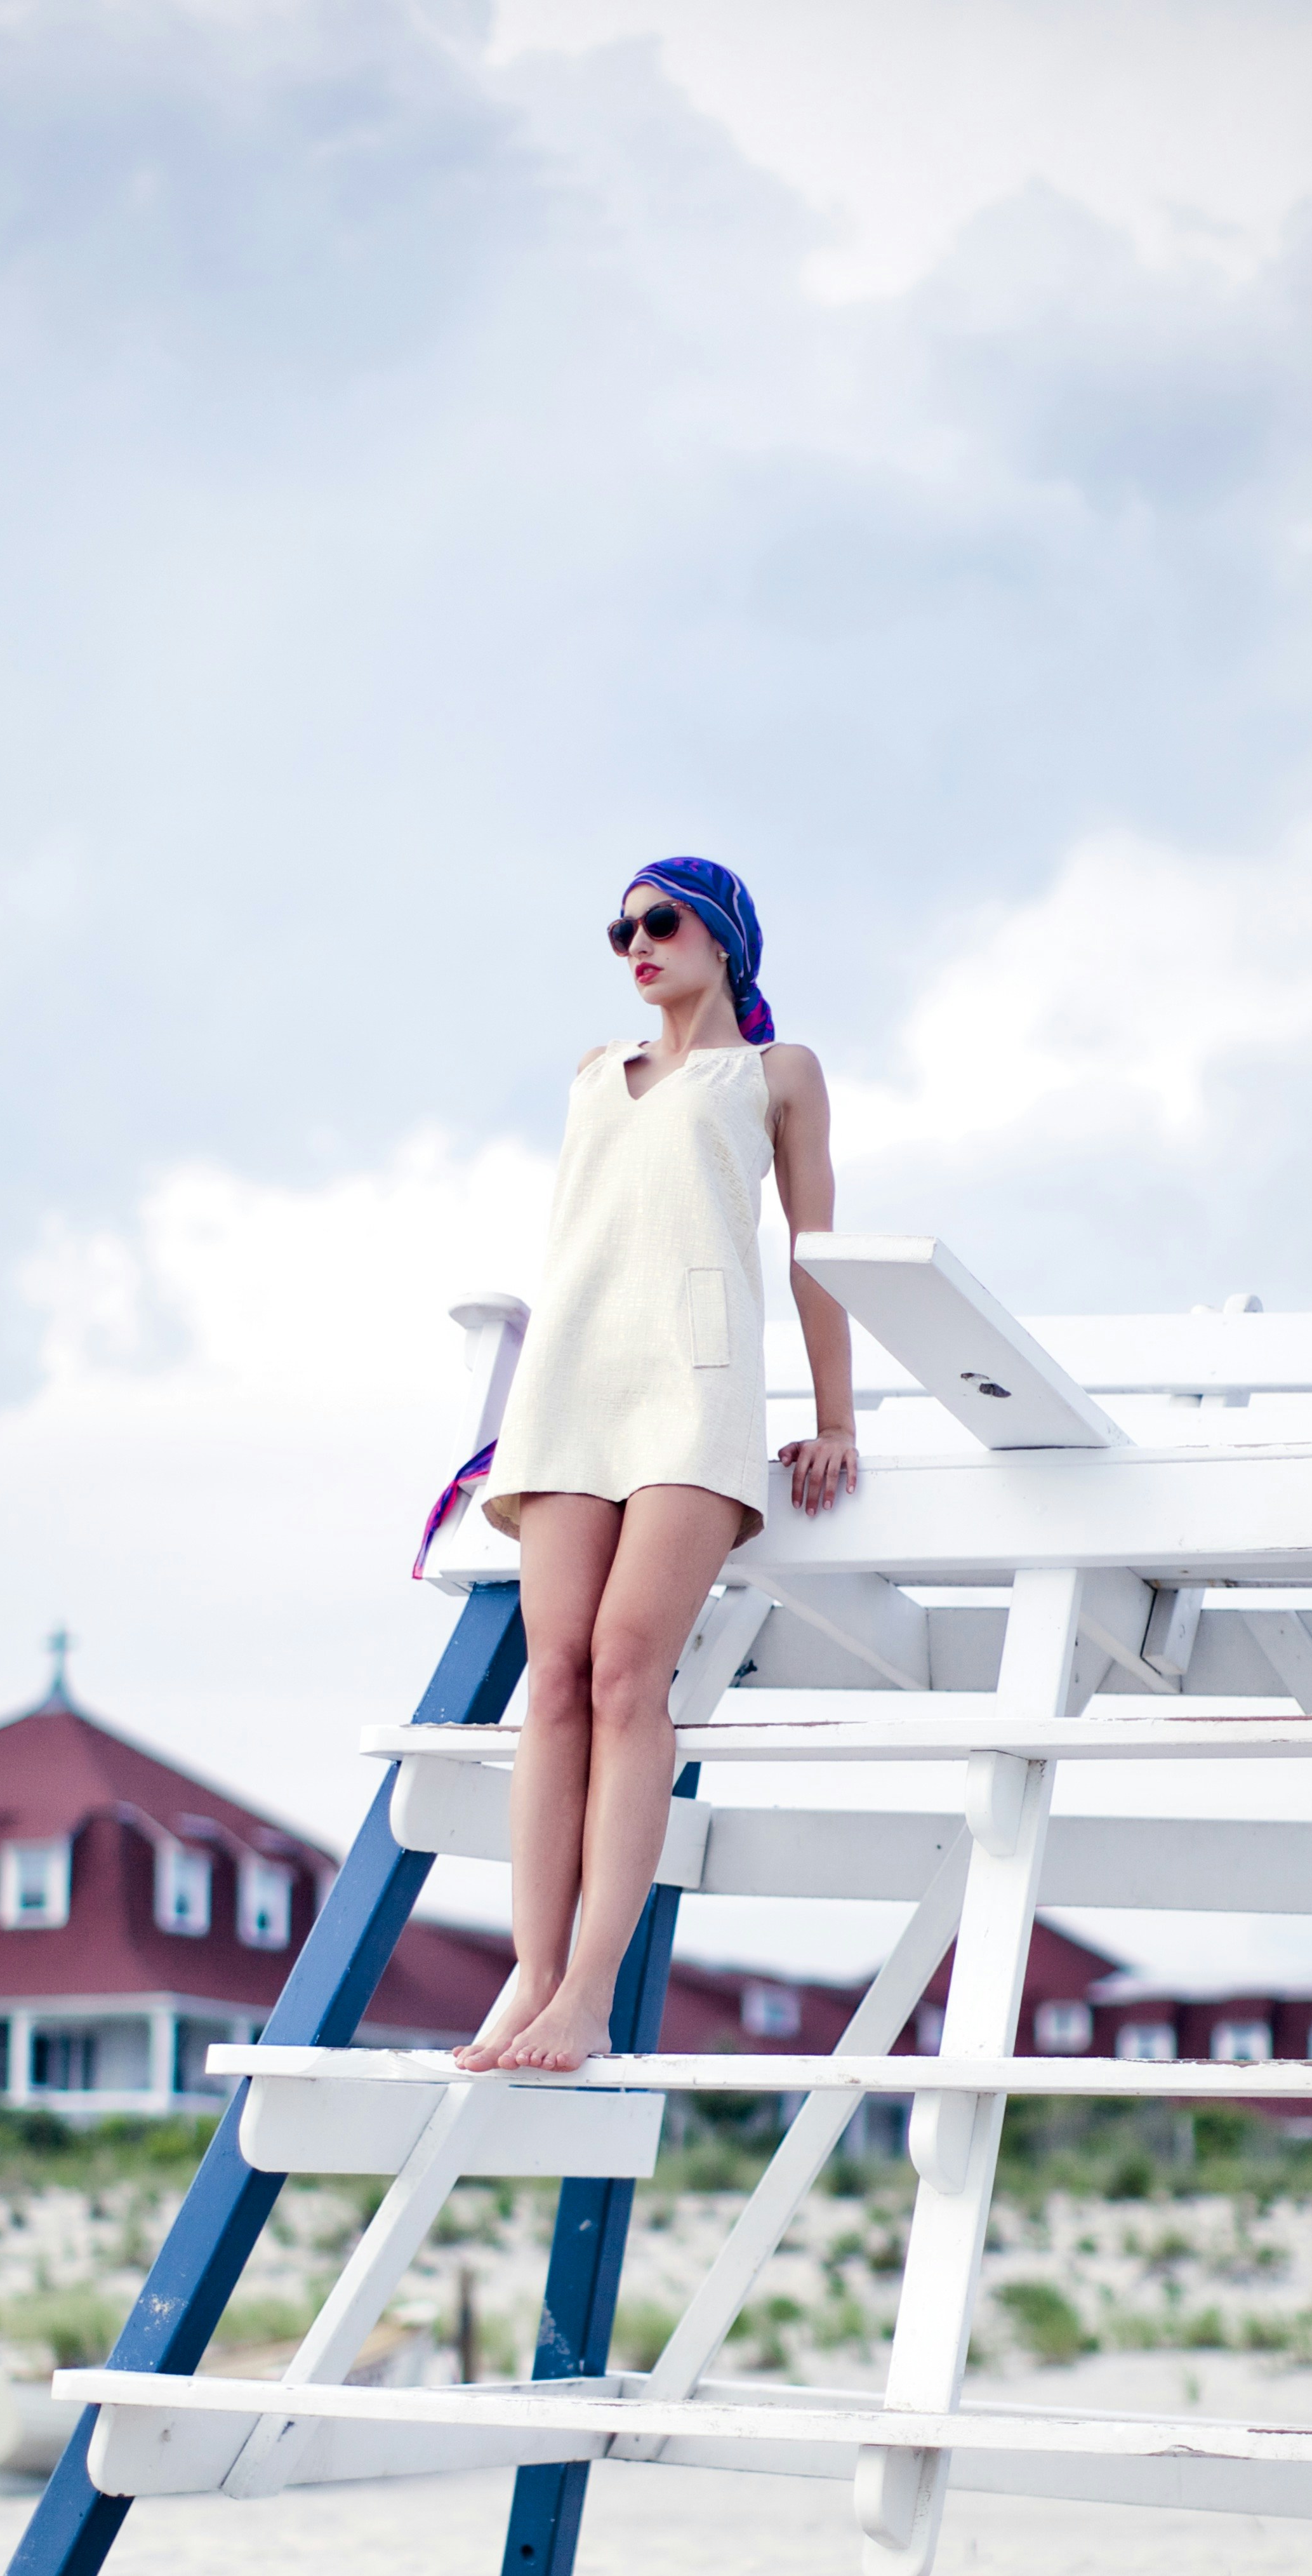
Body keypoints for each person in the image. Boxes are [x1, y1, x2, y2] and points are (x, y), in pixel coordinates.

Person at [459, 857, 856, 2074]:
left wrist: (835, 1417)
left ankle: (589, 1992)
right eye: (620, 928)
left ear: (723, 937)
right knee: (558, 1676)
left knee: (632, 1670)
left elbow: (811, 1251)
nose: (637, 943)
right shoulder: (594, 1075)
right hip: (572, 1384)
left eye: (660, 922)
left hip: (696, 1390)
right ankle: (528, 1979)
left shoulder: (777, 1075)